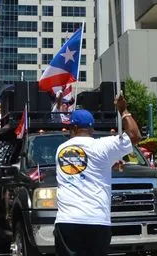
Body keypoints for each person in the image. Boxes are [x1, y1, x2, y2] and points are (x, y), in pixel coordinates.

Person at [54, 94, 141, 256]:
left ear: (72, 128)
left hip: (67, 221)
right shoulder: (102, 146)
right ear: (92, 128)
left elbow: (81, 165)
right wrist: (123, 110)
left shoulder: (61, 150)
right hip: (97, 220)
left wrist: (109, 163)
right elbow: (135, 136)